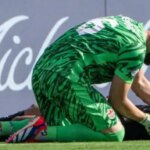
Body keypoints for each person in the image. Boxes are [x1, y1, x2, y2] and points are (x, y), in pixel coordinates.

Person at [6, 15, 150, 143]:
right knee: (115, 132)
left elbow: (139, 83)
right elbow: (118, 101)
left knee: (66, 130)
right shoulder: (136, 50)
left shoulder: (130, 26)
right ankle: (36, 132)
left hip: (41, 72)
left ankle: (6, 128)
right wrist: (145, 119)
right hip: (65, 76)